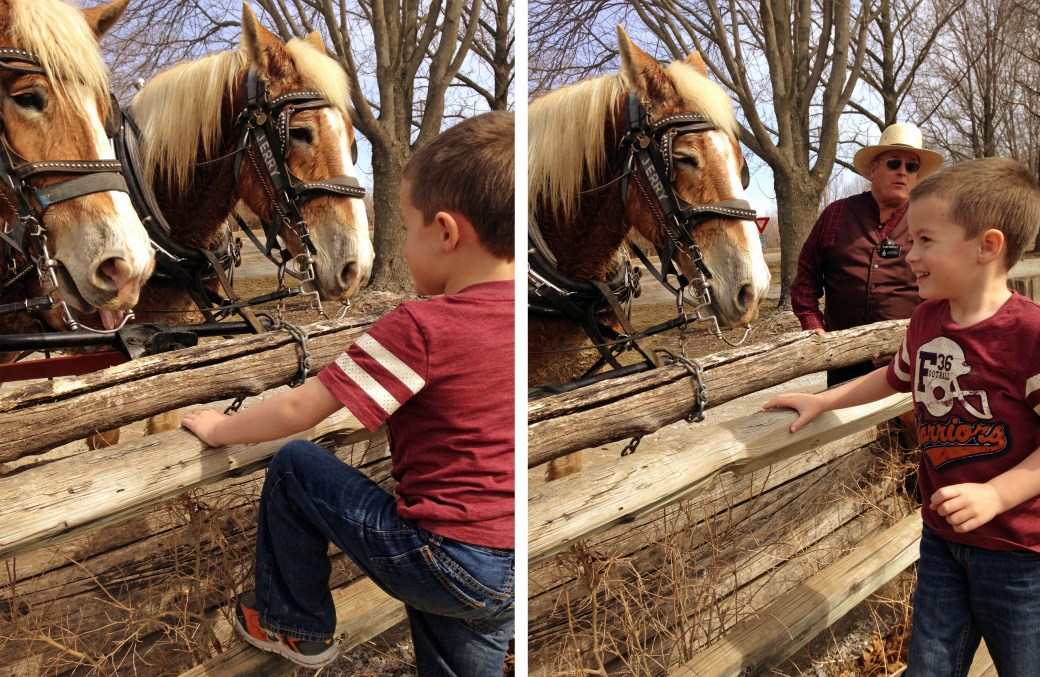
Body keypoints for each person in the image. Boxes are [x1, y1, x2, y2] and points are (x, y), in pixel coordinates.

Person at [182, 110, 516, 675]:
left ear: (445, 232)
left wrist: (219, 428)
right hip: (507, 563)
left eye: (405, 229)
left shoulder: (423, 327)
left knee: (295, 466)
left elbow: (300, 408)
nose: (401, 245)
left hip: (445, 560)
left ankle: (295, 625)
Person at [765, 157, 1040, 676]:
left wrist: (997, 494)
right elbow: (895, 377)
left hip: (1018, 553)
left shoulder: (1029, 335)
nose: (909, 254)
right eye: (910, 240)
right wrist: (825, 401)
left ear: (987, 246)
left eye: (925, 241)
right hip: (940, 540)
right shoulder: (925, 320)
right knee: (929, 665)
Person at [791, 122, 943, 386]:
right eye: (894, 163)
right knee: (843, 413)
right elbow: (805, 279)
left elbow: (946, 287)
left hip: (909, 358)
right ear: (874, 169)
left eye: (911, 167)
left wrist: (923, 337)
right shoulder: (836, 214)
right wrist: (815, 330)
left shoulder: (930, 220)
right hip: (843, 360)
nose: (903, 172)